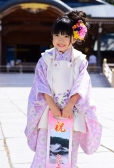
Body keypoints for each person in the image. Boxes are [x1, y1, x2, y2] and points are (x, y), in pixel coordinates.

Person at [25, 10, 102, 168]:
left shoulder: (80, 60)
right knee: (44, 151)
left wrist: (69, 105)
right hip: (48, 111)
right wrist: (53, 106)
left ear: (74, 38)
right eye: (57, 35)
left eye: (66, 36)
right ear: (52, 36)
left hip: (70, 113)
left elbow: (82, 85)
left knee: (67, 153)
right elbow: (41, 84)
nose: (61, 40)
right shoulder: (45, 60)